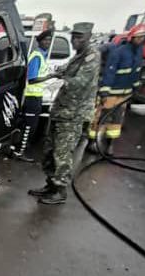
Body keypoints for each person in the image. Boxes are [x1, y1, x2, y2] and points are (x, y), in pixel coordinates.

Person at [28, 22, 101, 205]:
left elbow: (80, 82)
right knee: (50, 150)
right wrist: (56, 73)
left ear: (88, 37)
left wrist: (61, 80)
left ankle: (59, 190)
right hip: (61, 110)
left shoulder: (92, 56)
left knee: (62, 153)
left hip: (73, 115)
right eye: (73, 37)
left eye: (79, 38)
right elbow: (64, 70)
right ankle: (50, 185)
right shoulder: (78, 56)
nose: (74, 41)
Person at [89, 25, 145, 154]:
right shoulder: (119, 52)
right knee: (101, 116)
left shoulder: (139, 52)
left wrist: (136, 86)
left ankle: (110, 144)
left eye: (143, 37)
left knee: (117, 119)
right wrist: (105, 90)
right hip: (111, 92)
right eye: (138, 37)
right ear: (131, 37)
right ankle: (92, 141)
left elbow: (136, 72)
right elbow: (110, 72)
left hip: (125, 94)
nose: (140, 40)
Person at [15, 29, 53, 162]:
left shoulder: (42, 56)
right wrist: (51, 76)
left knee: (29, 125)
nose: (47, 42)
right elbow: (32, 79)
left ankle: (18, 149)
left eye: (49, 40)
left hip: (36, 96)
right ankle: (20, 152)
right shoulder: (36, 56)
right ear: (39, 42)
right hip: (31, 97)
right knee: (29, 127)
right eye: (45, 40)